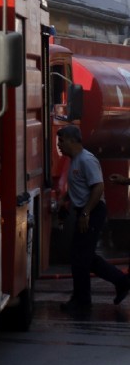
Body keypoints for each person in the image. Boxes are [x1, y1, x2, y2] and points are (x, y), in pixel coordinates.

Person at [56, 125, 130, 314]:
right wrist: (65, 199)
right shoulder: (75, 161)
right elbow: (78, 186)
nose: (59, 144)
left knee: (79, 257)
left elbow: (98, 188)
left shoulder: (87, 160)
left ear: (73, 140)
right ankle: (121, 282)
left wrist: (86, 213)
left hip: (93, 212)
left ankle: (82, 301)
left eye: (62, 140)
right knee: (84, 256)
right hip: (85, 211)